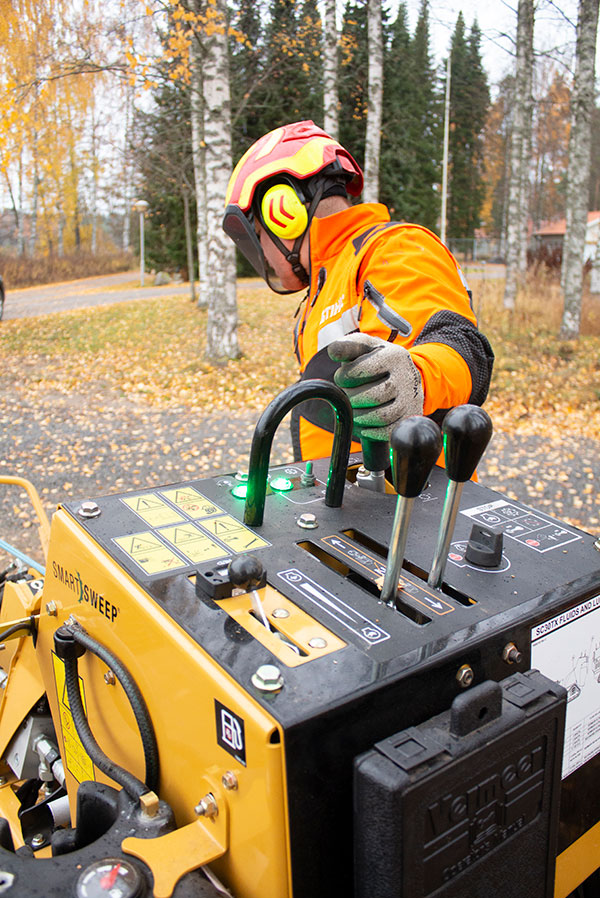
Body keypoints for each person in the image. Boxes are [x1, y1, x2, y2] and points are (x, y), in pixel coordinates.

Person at [223, 120, 494, 464]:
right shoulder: (327, 282)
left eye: (260, 236)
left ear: (282, 212)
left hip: (402, 493)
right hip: (344, 490)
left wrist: (418, 378)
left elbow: (458, 343)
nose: (263, 255)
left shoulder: (393, 249)